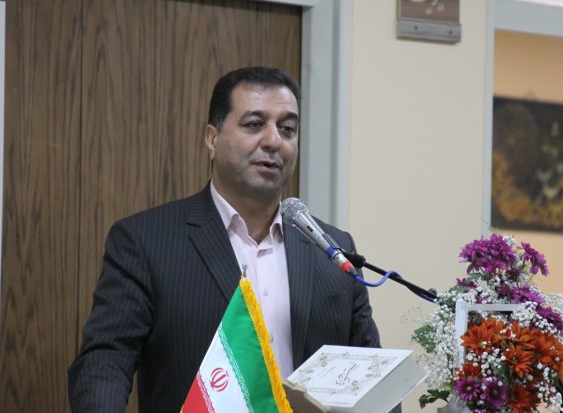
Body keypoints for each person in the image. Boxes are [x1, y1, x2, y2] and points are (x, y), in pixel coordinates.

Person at [68, 66, 387, 412]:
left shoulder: (333, 250)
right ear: (212, 138)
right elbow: (104, 363)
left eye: (287, 129)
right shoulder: (145, 242)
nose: (273, 141)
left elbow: (372, 379)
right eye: (254, 124)